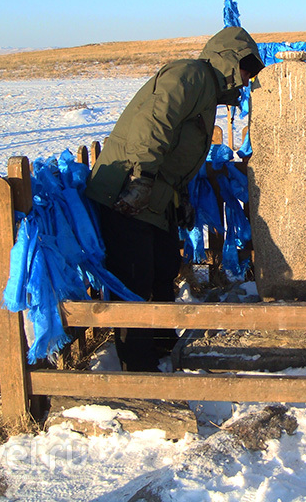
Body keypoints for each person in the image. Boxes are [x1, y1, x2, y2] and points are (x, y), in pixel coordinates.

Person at [85, 26, 264, 371]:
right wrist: (140, 179)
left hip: (156, 199)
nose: (247, 77)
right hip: (128, 190)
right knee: (134, 278)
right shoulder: (191, 76)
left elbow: (181, 153)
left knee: (163, 267)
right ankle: (138, 367)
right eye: (247, 66)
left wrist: (179, 199)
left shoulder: (208, 93)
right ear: (230, 58)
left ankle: (163, 345)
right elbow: (153, 125)